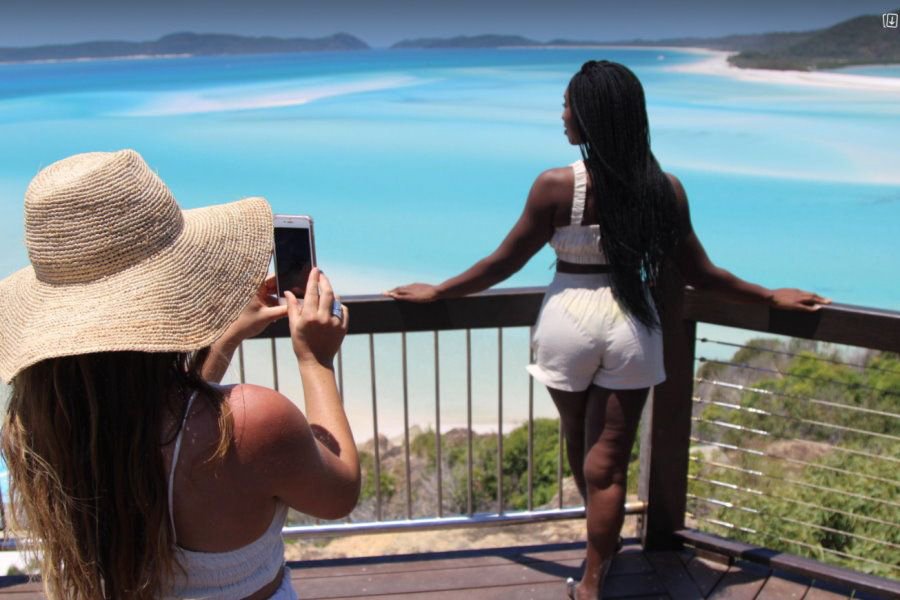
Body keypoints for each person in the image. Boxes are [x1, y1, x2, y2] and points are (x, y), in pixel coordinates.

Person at [386, 60, 828, 599]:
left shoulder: (555, 186)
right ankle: (596, 578)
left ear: (592, 116)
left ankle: (598, 550)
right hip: (633, 324)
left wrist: (441, 290)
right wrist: (767, 295)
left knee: (581, 442)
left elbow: (503, 263)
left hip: (566, 321)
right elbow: (699, 273)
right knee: (610, 463)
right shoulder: (663, 188)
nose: (563, 116)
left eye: (569, 105)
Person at [0, 149, 360, 600]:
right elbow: (339, 492)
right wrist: (315, 361)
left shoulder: (36, 431)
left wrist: (223, 342)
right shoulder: (252, 420)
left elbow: (159, 431)